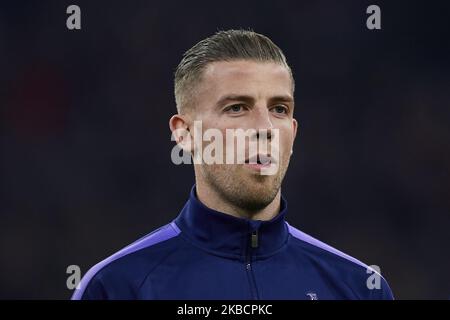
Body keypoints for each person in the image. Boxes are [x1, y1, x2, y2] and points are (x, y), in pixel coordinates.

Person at [72, 29, 394, 300]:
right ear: (184, 134)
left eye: (279, 109)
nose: (264, 128)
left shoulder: (360, 289)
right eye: (238, 107)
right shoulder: (117, 288)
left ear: (292, 134)